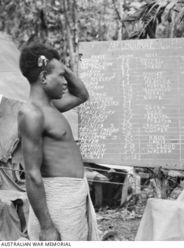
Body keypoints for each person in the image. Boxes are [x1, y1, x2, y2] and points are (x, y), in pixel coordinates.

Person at [18, 43, 99, 240]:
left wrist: (57, 64)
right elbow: (32, 175)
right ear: (44, 77)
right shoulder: (32, 114)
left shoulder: (52, 107)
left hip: (72, 199)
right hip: (56, 203)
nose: (65, 82)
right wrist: (46, 227)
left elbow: (82, 94)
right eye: (61, 76)